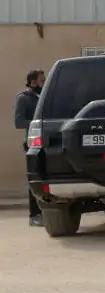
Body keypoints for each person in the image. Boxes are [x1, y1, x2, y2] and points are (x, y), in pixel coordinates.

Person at [13, 69, 45, 227]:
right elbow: (18, 122)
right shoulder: (24, 99)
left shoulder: (44, 97)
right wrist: (37, 124)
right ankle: (35, 215)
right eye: (41, 81)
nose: (43, 83)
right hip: (33, 144)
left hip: (47, 142)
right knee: (35, 178)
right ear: (32, 82)